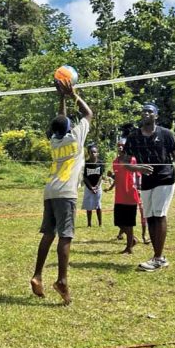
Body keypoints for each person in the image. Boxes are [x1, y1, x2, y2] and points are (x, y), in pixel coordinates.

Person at [30, 77, 93, 305]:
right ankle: (62, 280)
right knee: (65, 235)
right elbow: (88, 114)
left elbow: (61, 121)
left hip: (50, 190)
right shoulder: (76, 137)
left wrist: (61, 98)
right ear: (68, 128)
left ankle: (37, 275)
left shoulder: (54, 141)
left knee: (49, 233)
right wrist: (73, 94)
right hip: (66, 192)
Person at [123, 103, 175, 272]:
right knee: (150, 217)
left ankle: (158, 258)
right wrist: (138, 168)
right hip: (146, 181)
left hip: (165, 178)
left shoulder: (166, 134)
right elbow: (124, 161)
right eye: (143, 111)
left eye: (150, 111)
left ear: (156, 116)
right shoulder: (133, 137)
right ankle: (157, 256)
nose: (146, 113)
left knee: (159, 215)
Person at [106, 137, 141, 254]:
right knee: (119, 222)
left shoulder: (132, 160)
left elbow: (138, 175)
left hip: (130, 195)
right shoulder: (115, 161)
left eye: (123, 145)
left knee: (129, 223)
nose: (120, 147)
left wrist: (140, 188)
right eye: (119, 145)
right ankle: (133, 239)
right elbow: (118, 177)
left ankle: (129, 247)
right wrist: (112, 177)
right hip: (119, 196)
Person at [82, 144, 104, 227]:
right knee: (89, 205)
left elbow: (101, 176)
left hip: (98, 186)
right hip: (88, 187)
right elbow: (84, 177)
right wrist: (91, 187)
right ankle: (89, 224)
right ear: (89, 153)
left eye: (95, 152)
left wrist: (97, 187)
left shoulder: (100, 163)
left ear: (97, 153)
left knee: (98, 205)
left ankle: (100, 224)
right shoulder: (86, 163)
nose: (93, 154)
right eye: (91, 152)